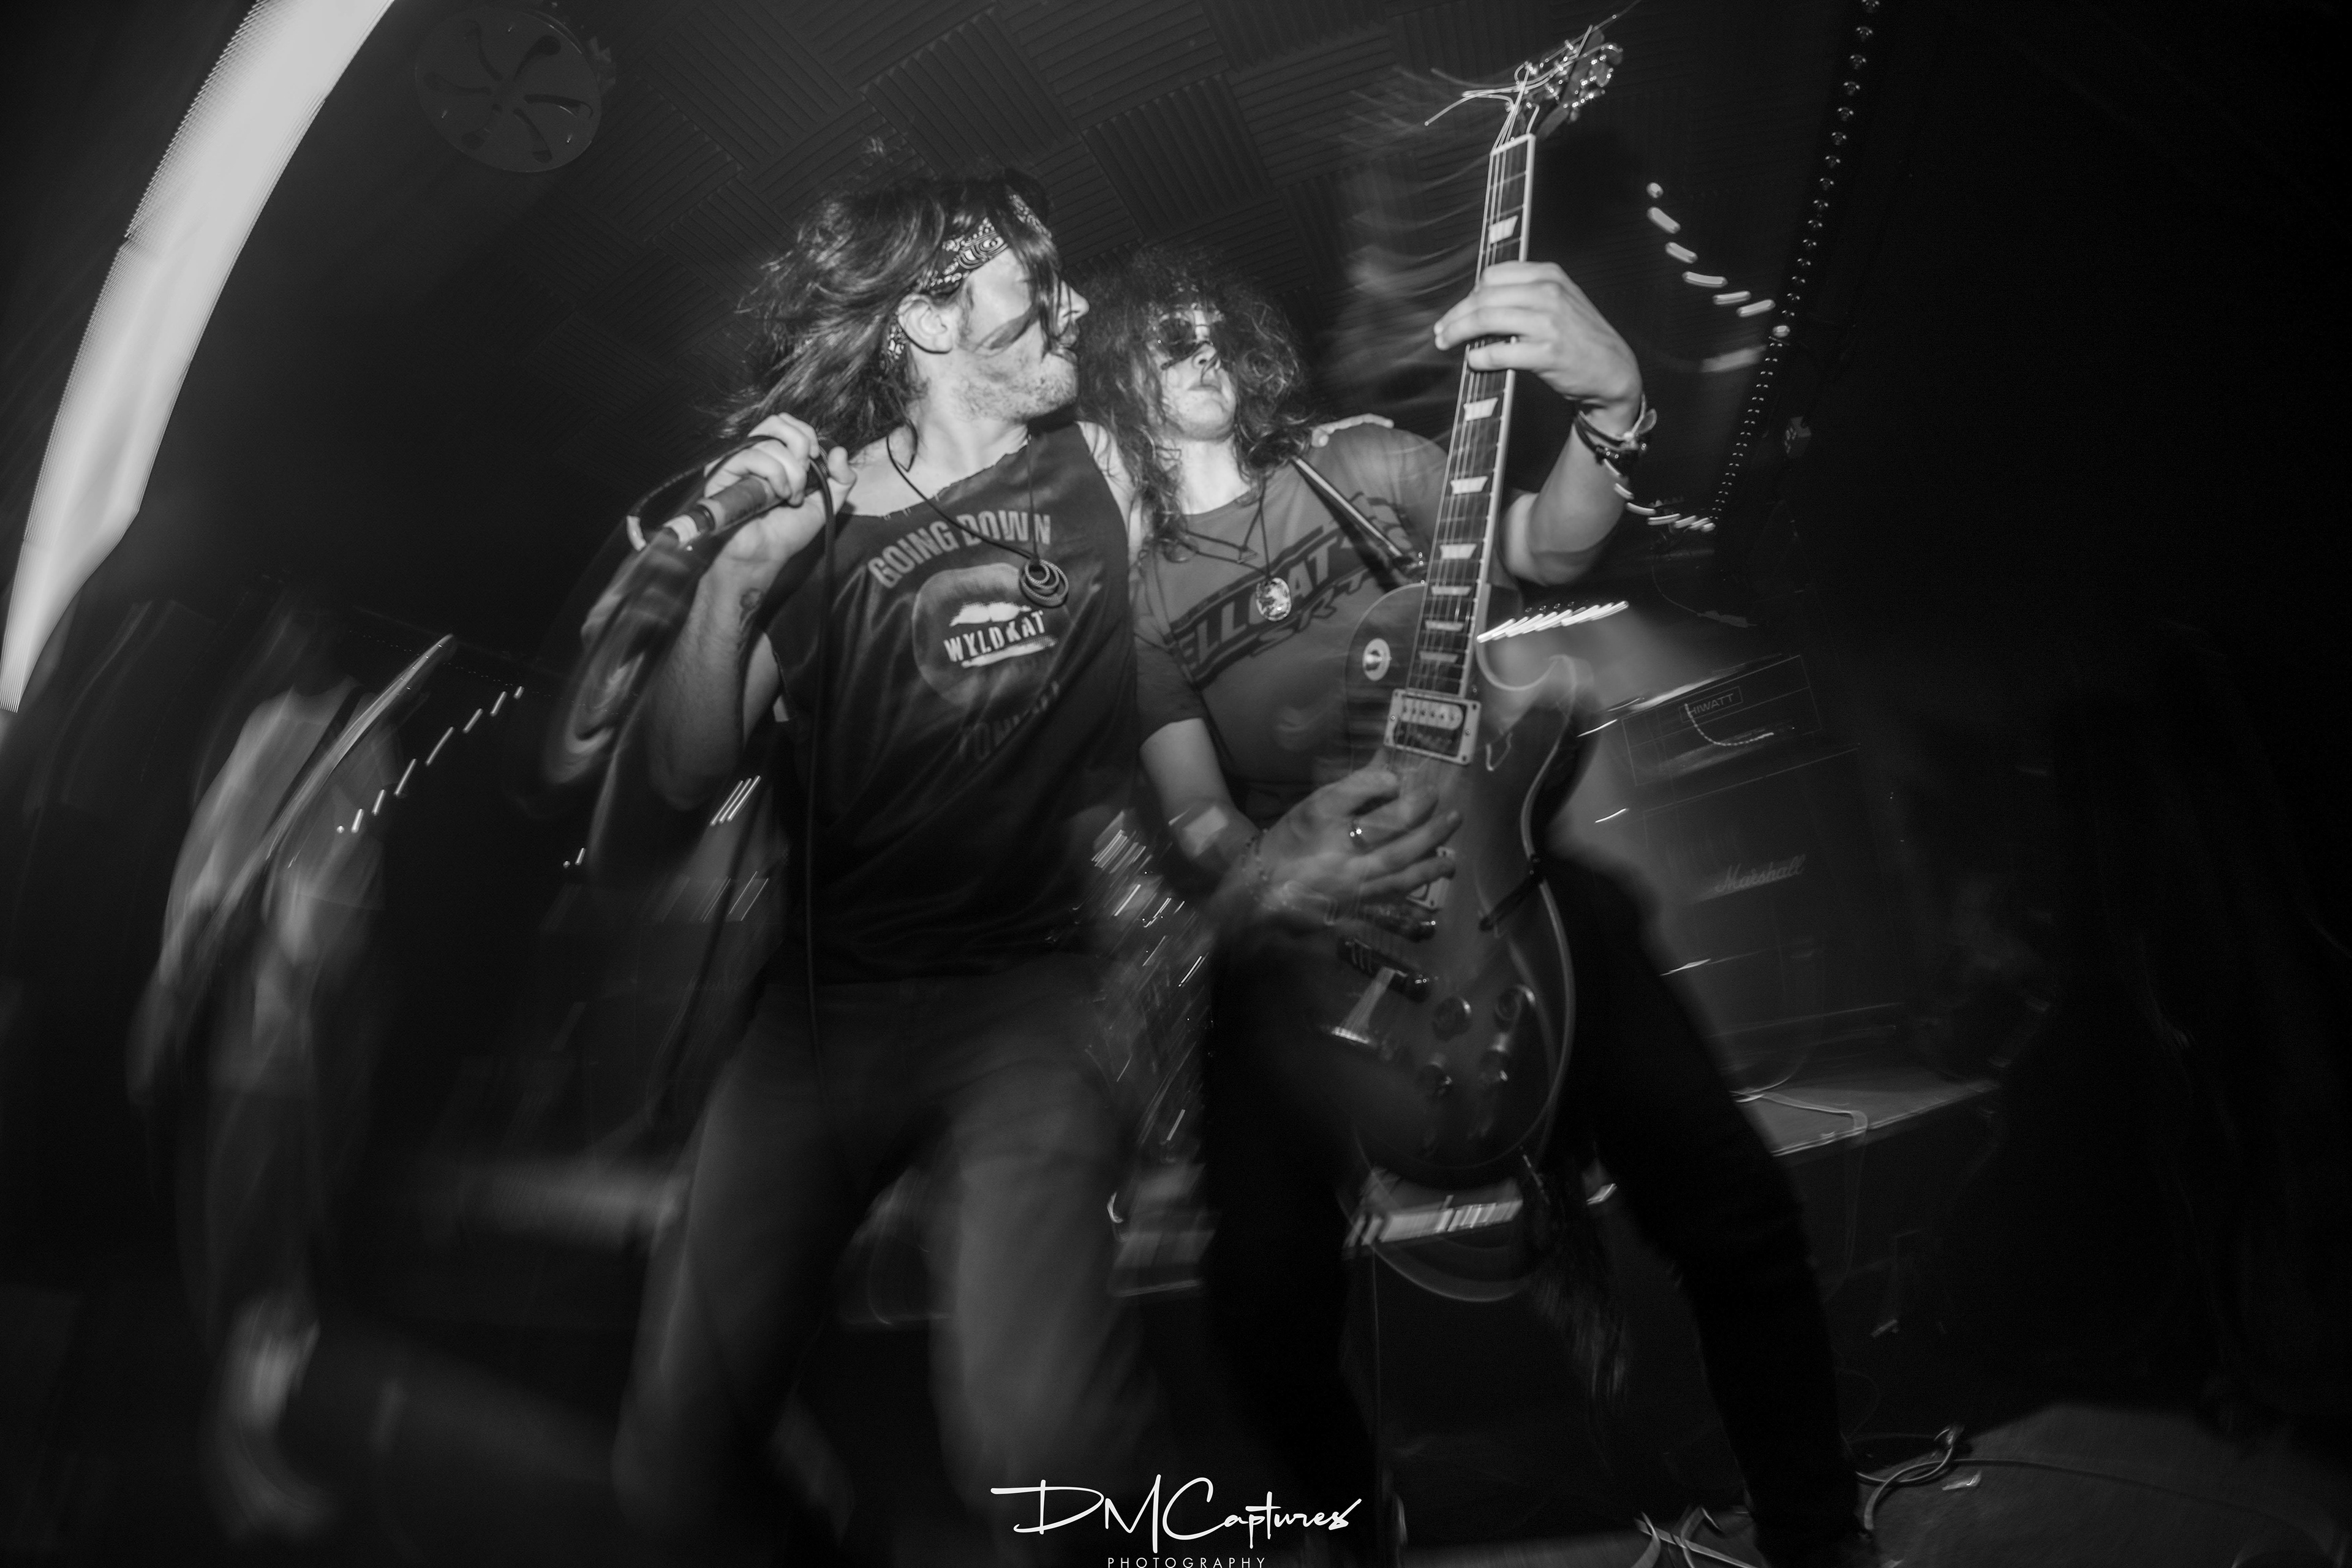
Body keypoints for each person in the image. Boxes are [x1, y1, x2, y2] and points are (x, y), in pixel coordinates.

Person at [1079, 245, 1874, 1568]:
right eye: (1168, 337)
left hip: (1494, 875)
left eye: (1213, 323)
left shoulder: (1358, 462)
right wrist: (1282, 868)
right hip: (1307, 942)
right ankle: (1349, 1527)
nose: (1202, 345)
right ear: (1118, 379)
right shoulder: (1145, 593)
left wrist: (1613, 408)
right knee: (1260, 1302)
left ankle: (1814, 1528)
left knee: (1731, 1202)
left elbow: (1545, 543)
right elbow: (1199, 815)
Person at [604, 173, 1165, 1562]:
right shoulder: (827, 517)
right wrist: (735, 585)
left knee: (1043, 1454)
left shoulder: (1109, 466)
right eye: (1032, 277)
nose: (1070, 301)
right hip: (821, 1015)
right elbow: (682, 772)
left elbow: (1250, 499)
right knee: (674, 1470)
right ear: (925, 316)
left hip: (1029, 1000)